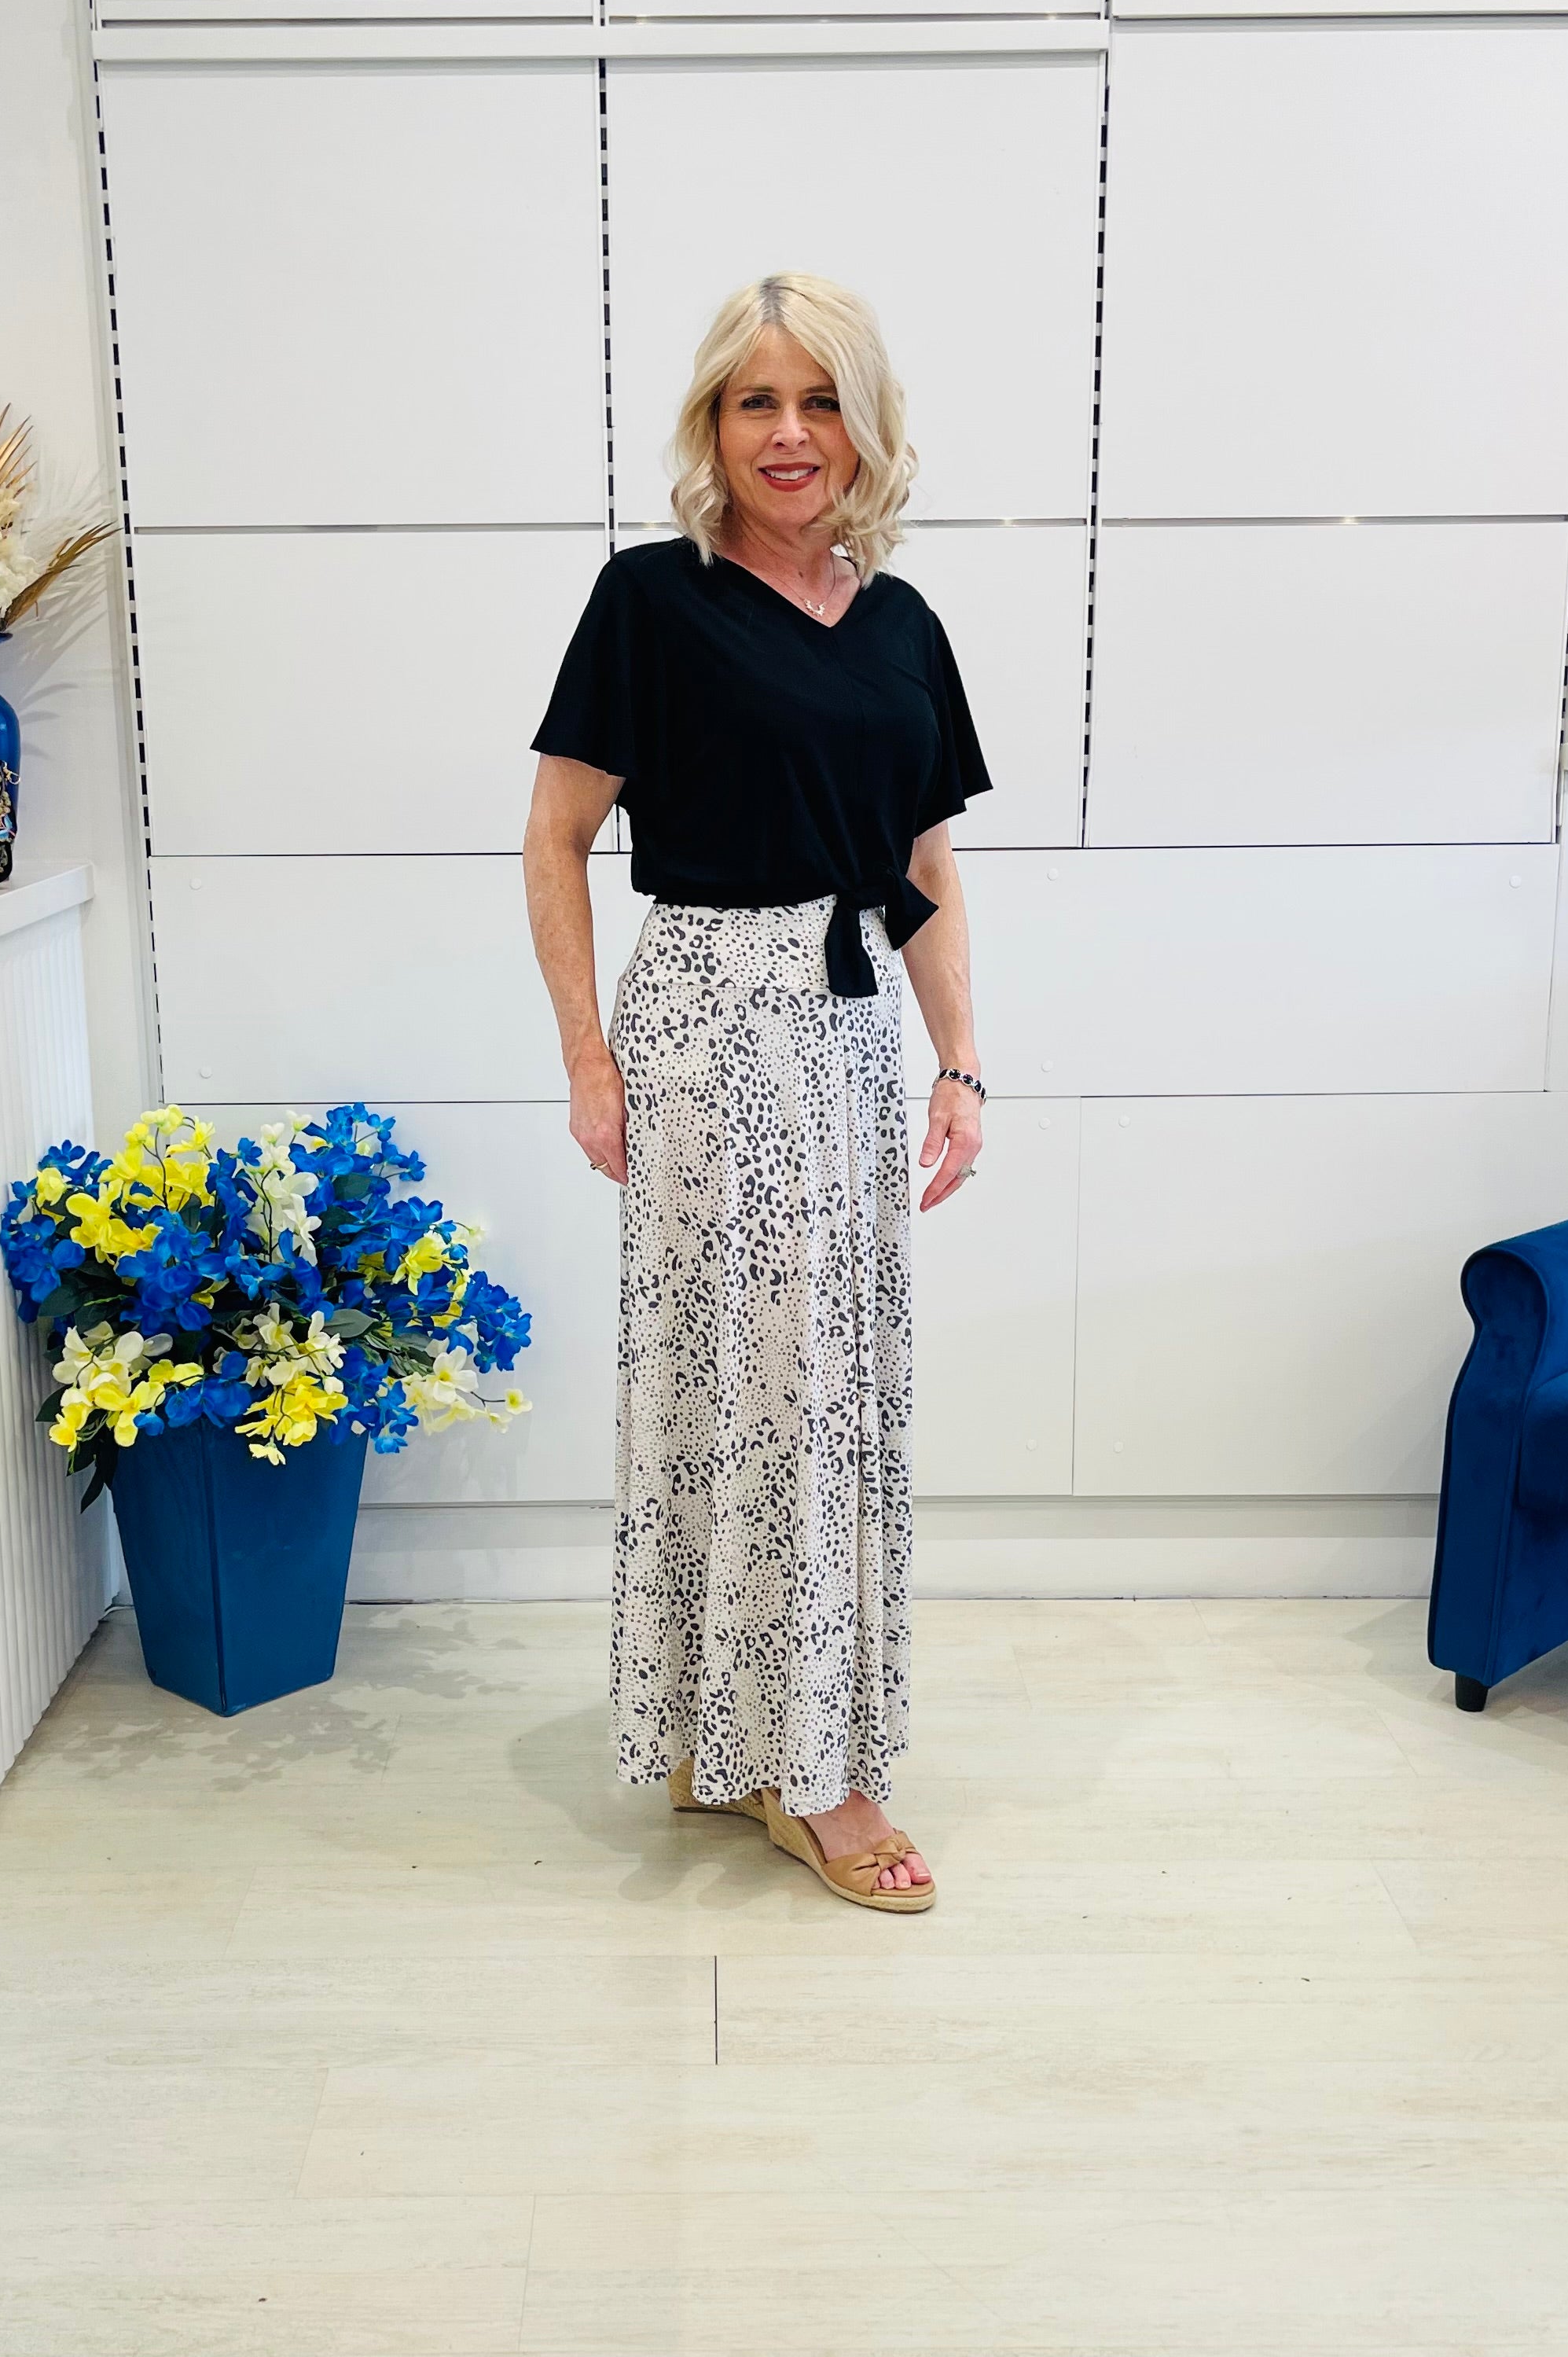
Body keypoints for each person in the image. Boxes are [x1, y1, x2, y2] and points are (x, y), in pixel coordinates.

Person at [522, 271, 990, 1914]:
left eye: (817, 401)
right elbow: (557, 839)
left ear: (864, 424)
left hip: (854, 1036)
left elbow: (920, 865)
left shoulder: (905, 625)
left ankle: (759, 1739)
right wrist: (591, 1055)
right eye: (753, 401)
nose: (788, 434)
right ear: (712, 425)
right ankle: (808, 1772)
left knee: (831, 1390)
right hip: (713, 1021)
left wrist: (963, 1064)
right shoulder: (652, 603)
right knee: (745, 1385)